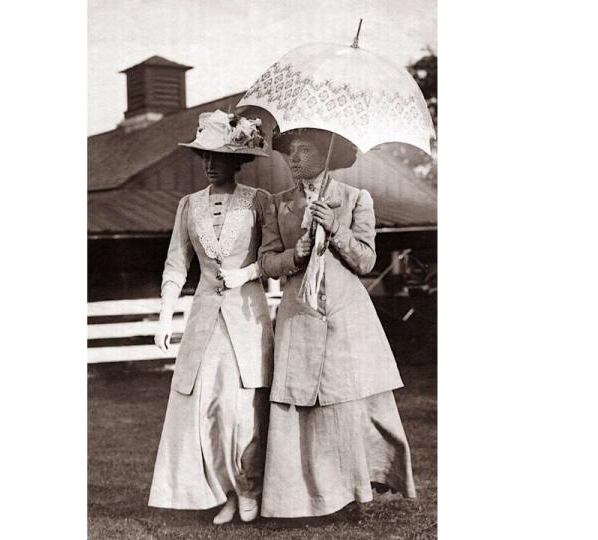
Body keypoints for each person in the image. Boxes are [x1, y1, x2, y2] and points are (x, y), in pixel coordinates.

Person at [258, 128, 417, 518]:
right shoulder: (278, 205)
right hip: (299, 316)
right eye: (289, 152)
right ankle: (300, 498)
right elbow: (265, 262)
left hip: (346, 317)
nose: (293, 159)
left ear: (327, 155)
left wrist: (335, 227)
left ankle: (354, 494)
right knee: (301, 406)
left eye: (304, 150)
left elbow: (366, 261)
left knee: (345, 405)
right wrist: (293, 255)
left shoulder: (354, 199)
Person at [147, 110, 274, 525]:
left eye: (217, 155)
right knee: (208, 407)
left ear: (236, 160)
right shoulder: (188, 205)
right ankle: (225, 492)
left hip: (247, 318)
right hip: (205, 321)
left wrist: (246, 272)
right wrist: (166, 315)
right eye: (204, 155)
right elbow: (175, 265)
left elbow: (271, 258)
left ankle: (249, 489)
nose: (209, 163)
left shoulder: (258, 201)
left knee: (243, 407)